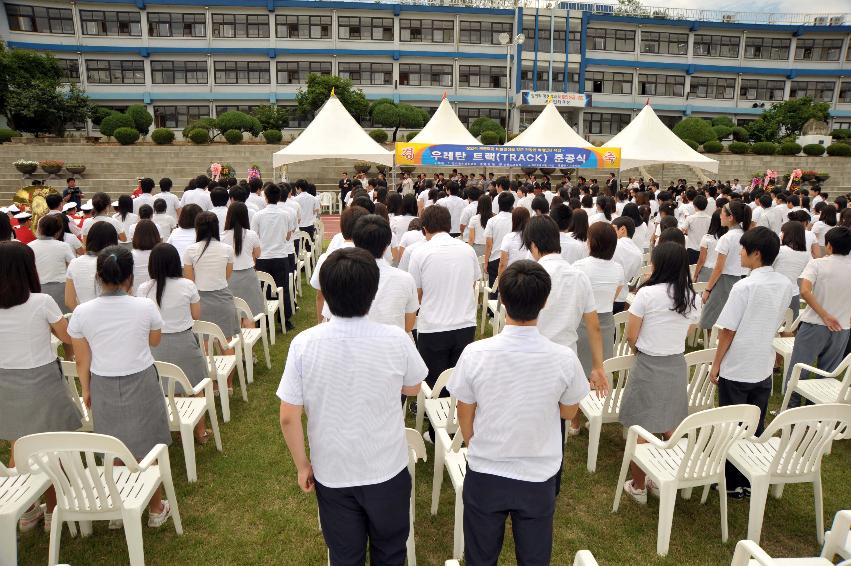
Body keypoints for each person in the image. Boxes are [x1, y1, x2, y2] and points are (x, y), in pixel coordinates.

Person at [277, 247, 427, 566]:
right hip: (386, 467)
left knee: (345, 556)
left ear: (326, 293)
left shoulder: (304, 344)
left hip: (333, 471)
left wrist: (303, 465)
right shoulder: (396, 339)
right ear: (372, 293)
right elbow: (413, 386)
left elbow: (288, 417)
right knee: (391, 552)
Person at [448, 259, 589, 565]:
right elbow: (568, 413)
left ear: (504, 302)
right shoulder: (563, 358)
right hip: (538, 474)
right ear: (545, 302)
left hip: (486, 470)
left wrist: (475, 441)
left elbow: (465, 411)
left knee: (480, 557)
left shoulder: (476, 354)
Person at [67, 245, 172, 527]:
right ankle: (155, 507)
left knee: (112, 444)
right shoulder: (144, 305)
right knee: (148, 443)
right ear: (129, 277)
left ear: (99, 277)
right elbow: (155, 341)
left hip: (103, 382)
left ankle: (119, 506)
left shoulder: (82, 312)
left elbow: (82, 359)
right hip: (140, 379)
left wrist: (86, 389)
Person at [0, 241, 82, 532]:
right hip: (40, 381)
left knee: (18, 444)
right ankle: (53, 510)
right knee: (49, 447)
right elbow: (69, 336)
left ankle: (27, 508)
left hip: (6, 383)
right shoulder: (41, 302)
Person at [709, 227, 794, 498]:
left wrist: (716, 363)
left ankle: (733, 481)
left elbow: (727, 330)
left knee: (733, 422)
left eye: (744, 249)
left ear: (756, 254)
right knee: (754, 423)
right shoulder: (783, 284)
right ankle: (746, 476)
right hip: (762, 362)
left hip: (739, 363)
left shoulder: (744, 286)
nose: (740, 253)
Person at [619, 242, 702, 503]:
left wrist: (641, 349)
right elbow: (689, 331)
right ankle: (665, 475)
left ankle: (639, 485)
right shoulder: (692, 296)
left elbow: (631, 335)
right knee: (671, 423)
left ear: (659, 263)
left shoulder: (647, 294)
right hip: (675, 363)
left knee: (640, 426)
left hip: (648, 363)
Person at [408, 205, 480, 438]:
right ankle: (456, 424)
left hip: (433, 326)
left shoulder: (420, 253)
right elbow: (472, 283)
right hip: (465, 323)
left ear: (425, 228)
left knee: (434, 380)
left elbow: (416, 294)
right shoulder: (467, 250)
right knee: (459, 378)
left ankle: (436, 429)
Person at [136, 243, 211, 442]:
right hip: (184, 342)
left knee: (166, 385)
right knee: (196, 386)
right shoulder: (187, 285)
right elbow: (196, 315)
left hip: (155, 345)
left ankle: (175, 424)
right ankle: (200, 431)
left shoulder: (143, 289)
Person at [783, 226, 851, 407]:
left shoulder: (818, 264)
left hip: (815, 324)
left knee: (799, 369)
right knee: (827, 373)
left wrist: (824, 315)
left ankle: (792, 409)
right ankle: (817, 412)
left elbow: (804, 290)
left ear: (828, 245)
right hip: (842, 328)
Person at [347, 214, 418, 332]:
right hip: (393, 345)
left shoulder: (344, 275)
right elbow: (409, 324)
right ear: (386, 246)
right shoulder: (405, 278)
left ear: (354, 241)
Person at [573, 223, 625, 380]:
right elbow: (614, 296)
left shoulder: (579, 266)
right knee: (601, 369)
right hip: (607, 322)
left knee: (579, 372)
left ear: (591, 242)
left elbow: (574, 297)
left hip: (583, 321)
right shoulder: (618, 269)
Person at [183, 212, 239, 345]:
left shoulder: (190, 250)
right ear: (216, 227)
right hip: (223, 299)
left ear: (197, 228)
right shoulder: (227, 249)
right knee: (227, 343)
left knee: (205, 345)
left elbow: (190, 281)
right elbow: (227, 275)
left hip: (199, 301)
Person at [699, 201, 751, 331]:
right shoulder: (745, 234)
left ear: (730, 217)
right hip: (740, 278)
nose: (720, 216)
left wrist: (707, 289)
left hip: (724, 280)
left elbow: (719, 267)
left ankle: (710, 347)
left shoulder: (727, 238)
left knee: (711, 317)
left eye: (722, 213)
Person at [251, 184, 296, 331]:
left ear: (265, 197)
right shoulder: (286, 214)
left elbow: (254, 237)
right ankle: (285, 319)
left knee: (262, 290)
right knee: (283, 289)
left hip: (263, 258)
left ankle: (263, 319)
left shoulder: (258, 215)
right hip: (280, 256)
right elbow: (289, 236)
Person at [222, 202, 264, 326]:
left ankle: (238, 342)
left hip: (229, 277)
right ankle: (250, 343)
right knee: (250, 313)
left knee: (233, 312)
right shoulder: (251, 234)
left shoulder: (222, 236)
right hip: (248, 276)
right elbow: (258, 254)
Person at [65, 221, 119, 310]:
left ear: (90, 239)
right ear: (114, 241)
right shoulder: (116, 262)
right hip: (114, 316)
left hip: (85, 317)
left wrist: (82, 315)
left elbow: (69, 301)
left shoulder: (74, 263)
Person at [28, 214, 75, 314]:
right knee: (63, 316)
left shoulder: (29, 246)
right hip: (61, 287)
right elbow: (73, 265)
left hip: (38, 287)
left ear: (39, 229)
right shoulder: (63, 246)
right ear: (58, 232)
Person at [773, 221, 811, 320]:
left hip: (775, 292)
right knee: (788, 328)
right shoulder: (806, 255)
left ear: (787, 234)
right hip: (793, 293)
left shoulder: (779, 251)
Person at [483, 191, 515, 292]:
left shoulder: (492, 221)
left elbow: (489, 244)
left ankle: (491, 307)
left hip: (495, 259)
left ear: (498, 204)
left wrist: (486, 262)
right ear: (512, 204)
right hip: (511, 258)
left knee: (494, 289)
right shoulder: (515, 219)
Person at [611, 216, 643, 314]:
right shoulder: (639, 253)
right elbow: (634, 275)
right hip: (622, 296)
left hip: (606, 293)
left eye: (613, 229)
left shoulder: (613, 244)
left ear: (622, 229)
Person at [693, 210, 726, 283]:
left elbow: (702, 260)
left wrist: (695, 275)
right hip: (723, 272)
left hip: (707, 270)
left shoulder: (707, 238)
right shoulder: (728, 238)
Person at [497, 207, 531, 277]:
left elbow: (503, 264)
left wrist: (501, 282)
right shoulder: (532, 237)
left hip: (512, 277)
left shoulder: (508, 237)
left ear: (514, 220)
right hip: (529, 276)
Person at [130, 219, 160, 295]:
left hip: (136, 295)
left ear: (136, 235)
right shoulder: (161, 253)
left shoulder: (130, 255)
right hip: (158, 295)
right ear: (156, 234)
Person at [680, 195, 711, 265]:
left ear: (694, 205)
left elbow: (681, 230)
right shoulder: (710, 219)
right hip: (706, 251)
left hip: (692, 250)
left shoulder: (690, 218)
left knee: (691, 272)